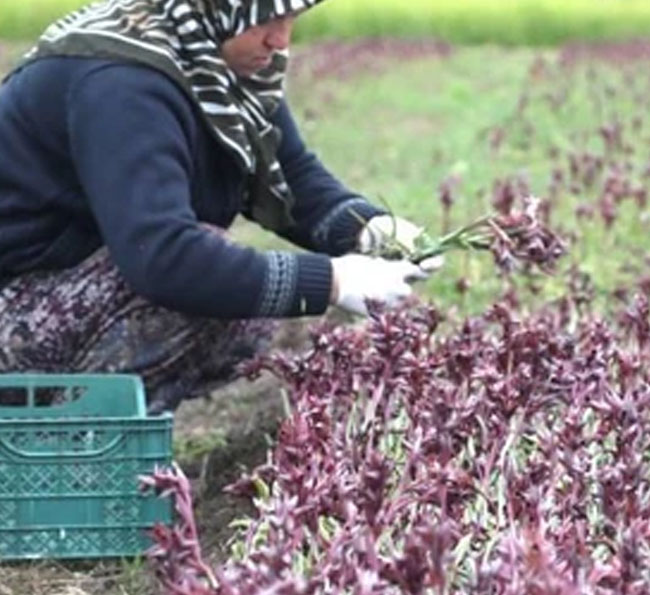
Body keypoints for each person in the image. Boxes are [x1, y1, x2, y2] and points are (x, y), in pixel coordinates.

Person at [0, 0, 439, 413]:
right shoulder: (122, 81)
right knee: (208, 285)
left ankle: (123, 432)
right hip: (15, 303)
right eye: (263, 20)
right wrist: (333, 280)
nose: (280, 40)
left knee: (250, 297)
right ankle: (68, 450)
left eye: (289, 18)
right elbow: (162, 258)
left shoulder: (206, 55)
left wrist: (369, 228)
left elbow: (293, 176)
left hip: (60, 287)